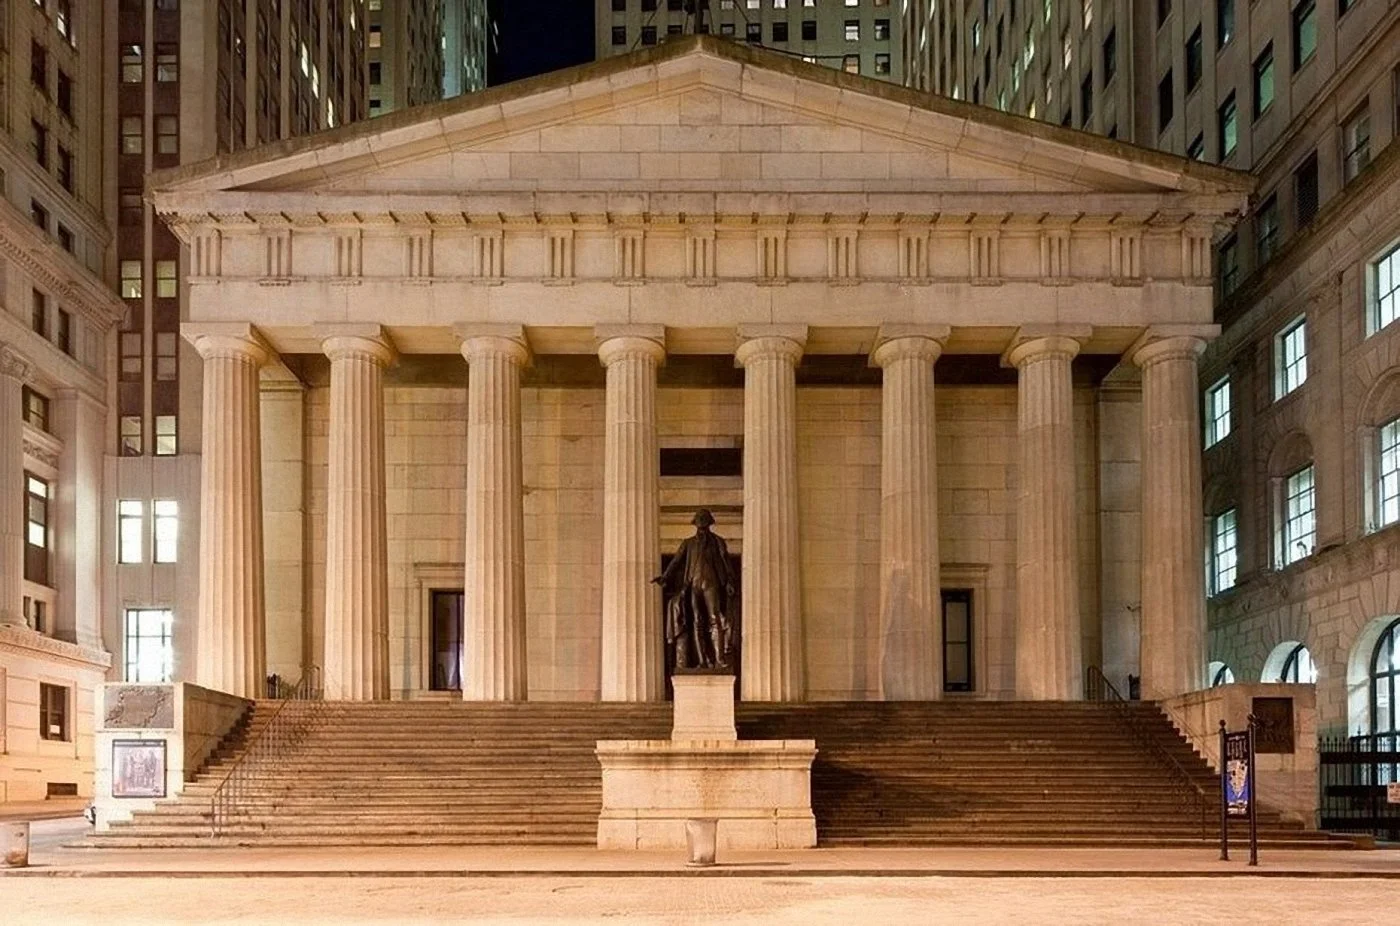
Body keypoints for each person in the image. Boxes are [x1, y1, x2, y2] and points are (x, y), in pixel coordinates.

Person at [653, 509, 736, 669]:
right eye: (699, 519)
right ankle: (702, 660)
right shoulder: (688, 543)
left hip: (711, 583)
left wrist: (730, 582)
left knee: (715, 619)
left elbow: (726, 563)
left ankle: (719, 659)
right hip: (693, 585)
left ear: (709, 522)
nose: (701, 522)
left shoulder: (718, 541)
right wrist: (665, 577)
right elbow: (676, 562)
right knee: (696, 621)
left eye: (704, 519)